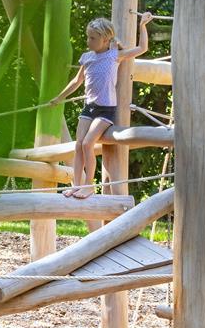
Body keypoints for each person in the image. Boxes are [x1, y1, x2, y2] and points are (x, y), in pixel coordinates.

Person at [48, 15, 153, 198]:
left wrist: (142, 24)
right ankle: (77, 184)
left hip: (105, 110)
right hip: (89, 107)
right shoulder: (87, 57)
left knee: (88, 143)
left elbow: (142, 48)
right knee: (79, 144)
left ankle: (89, 186)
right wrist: (59, 98)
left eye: (93, 38)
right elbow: (76, 81)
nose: (89, 41)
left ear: (105, 40)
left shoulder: (114, 56)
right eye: (88, 37)